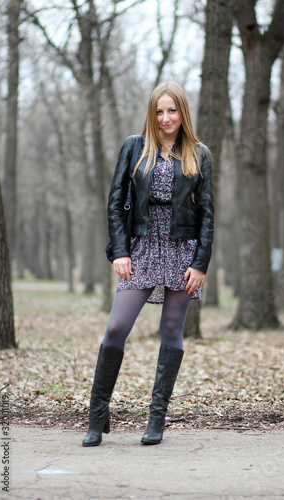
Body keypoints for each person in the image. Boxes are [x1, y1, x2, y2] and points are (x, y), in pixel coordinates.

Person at [82, 82, 214, 447]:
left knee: (171, 329)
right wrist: (120, 251)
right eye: (159, 111)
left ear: (182, 113)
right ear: (151, 114)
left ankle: (156, 418)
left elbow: (206, 214)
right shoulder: (134, 147)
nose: (165, 118)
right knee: (116, 328)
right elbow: (115, 203)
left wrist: (200, 263)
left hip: (181, 249)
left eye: (172, 111)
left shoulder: (198, 154)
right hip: (140, 246)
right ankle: (97, 417)